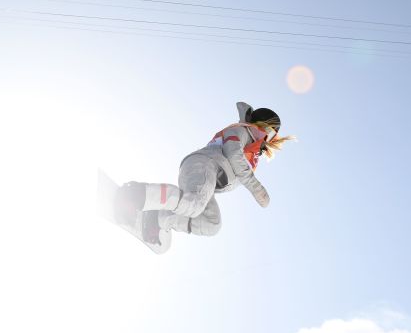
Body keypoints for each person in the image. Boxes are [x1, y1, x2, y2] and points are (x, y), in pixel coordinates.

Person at [115, 101, 296, 245]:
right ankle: (135, 195)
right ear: (262, 127)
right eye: (271, 135)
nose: (268, 142)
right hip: (203, 165)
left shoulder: (251, 149)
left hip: (208, 181)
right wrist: (256, 188)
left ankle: (158, 219)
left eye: (273, 139)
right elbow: (233, 153)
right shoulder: (241, 130)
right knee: (194, 204)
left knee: (212, 224)